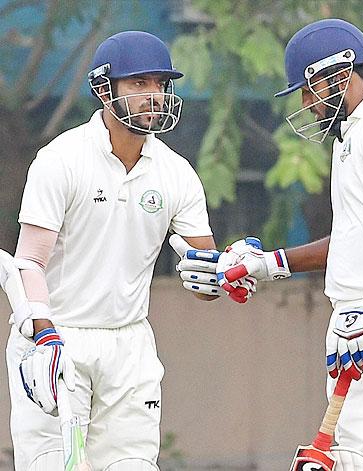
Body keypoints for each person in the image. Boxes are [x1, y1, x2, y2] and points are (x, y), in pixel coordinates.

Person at [4, 30, 254, 471]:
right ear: (104, 89)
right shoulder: (61, 160)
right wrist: (42, 335)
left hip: (129, 345)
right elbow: (28, 262)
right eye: (139, 83)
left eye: (160, 84)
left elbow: (204, 277)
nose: (154, 95)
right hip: (55, 337)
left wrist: (231, 270)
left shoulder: (176, 173)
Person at [210, 18, 363, 471]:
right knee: (345, 458)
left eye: (308, 89)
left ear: (339, 73)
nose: (306, 103)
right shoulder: (352, 134)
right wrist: (268, 264)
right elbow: (352, 240)